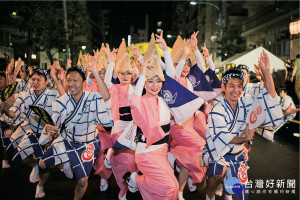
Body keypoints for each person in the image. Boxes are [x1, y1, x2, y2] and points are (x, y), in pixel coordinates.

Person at [204, 51, 284, 200]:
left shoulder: (246, 102)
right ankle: (209, 195)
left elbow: (270, 96)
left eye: (239, 86)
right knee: (218, 173)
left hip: (238, 154)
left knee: (241, 195)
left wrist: (267, 71)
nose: (236, 90)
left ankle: (229, 190)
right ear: (223, 87)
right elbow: (225, 138)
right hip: (218, 152)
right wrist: (245, 138)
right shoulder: (217, 108)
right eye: (232, 86)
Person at [39, 55, 112, 199]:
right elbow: (55, 122)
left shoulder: (92, 97)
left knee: (83, 180)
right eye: (69, 80)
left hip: (88, 143)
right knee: (42, 164)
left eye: (75, 80)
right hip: (68, 140)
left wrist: (95, 72)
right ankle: (57, 171)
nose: (71, 83)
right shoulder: (62, 101)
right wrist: (50, 129)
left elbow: (106, 97)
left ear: (84, 82)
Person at [124, 30, 179, 200]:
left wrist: (166, 52)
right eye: (150, 81)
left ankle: (136, 181)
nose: (155, 85)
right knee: (170, 187)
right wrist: (141, 75)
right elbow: (133, 101)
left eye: (158, 81)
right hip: (146, 152)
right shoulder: (140, 100)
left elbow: (171, 76)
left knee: (172, 189)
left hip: (163, 150)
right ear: (144, 82)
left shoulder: (164, 99)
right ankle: (135, 179)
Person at [1, 69, 58, 186]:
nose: (35, 82)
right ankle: (35, 164)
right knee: (18, 158)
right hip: (32, 129)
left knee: (47, 162)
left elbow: (66, 100)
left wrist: (58, 80)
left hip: (47, 132)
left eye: (39, 80)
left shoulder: (53, 93)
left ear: (47, 81)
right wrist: (6, 108)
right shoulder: (25, 94)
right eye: (33, 79)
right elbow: (13, 113)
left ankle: (42, 183)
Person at [168, 33, 206, 199]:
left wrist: (196, 49)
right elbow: (175, 73)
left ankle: (181, 190)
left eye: (188, 65)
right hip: (177, 125)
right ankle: (176, 157)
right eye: (182, 64)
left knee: (191, 156)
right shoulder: (173, 80)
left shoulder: (189, 82)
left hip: (190, 122)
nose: (185, 68)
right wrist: (183, 55)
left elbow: (203, 70)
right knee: (201, 146)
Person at [103, 40, 138, 200]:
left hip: (133, 130)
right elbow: (105, 82)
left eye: (128, 73)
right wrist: (111, 62)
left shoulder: (136, 88)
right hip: (118, 128)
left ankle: (126, 187)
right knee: (124, 161)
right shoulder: (114, 88)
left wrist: (139, 58)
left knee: (133, 162)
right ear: (117, 75)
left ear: (132, 75)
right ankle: (111, 153)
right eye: (122, 73)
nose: (125, 76)